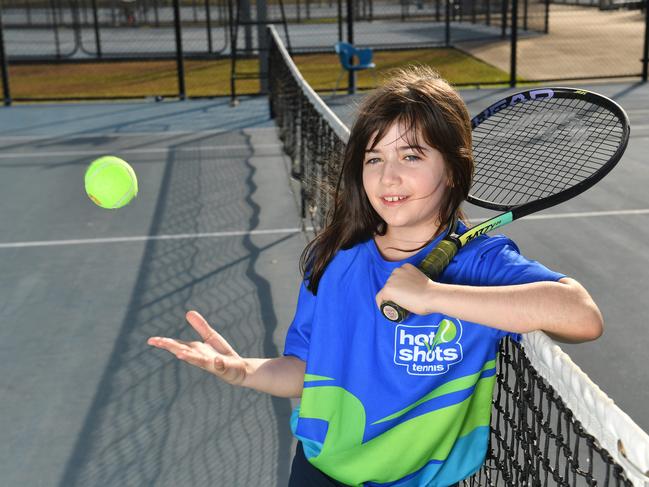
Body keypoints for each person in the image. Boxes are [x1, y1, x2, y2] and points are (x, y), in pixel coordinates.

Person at [147, 65, 603, 486]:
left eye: (410, 156)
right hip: (319, 471)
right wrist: (244, 372)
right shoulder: (333, 259)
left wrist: (434, 296)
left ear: (452, 169)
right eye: (373, 159)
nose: (388, 177)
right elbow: (307, 370)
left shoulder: (482, 264)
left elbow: (582, 316)